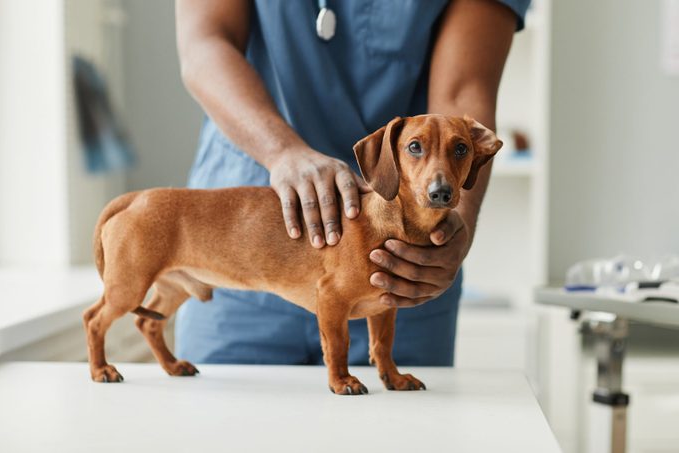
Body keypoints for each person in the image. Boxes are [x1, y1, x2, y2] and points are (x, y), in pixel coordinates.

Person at [174, 0, 529, 366]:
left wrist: (453, 230)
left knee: (403, 421)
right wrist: (281, 150)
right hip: (244, 253)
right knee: (224, 418)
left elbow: (463, 93)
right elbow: (206, 43)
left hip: (401, 271)